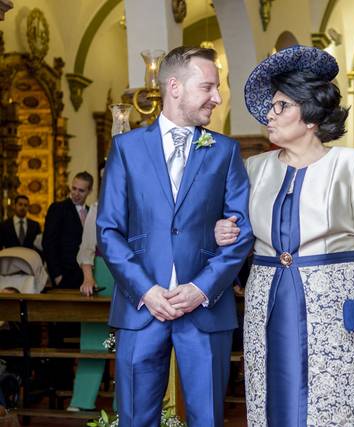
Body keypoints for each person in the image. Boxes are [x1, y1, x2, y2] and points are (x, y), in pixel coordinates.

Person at [215, 45, 354, 426]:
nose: (270, 113)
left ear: (311, 114)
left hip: (333, 300)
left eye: (281, 105)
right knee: (270, 398)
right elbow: (236, 231)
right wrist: (223, 231)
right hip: (266, 296)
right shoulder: (254, 168)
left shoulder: (351, 164)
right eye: (272, 105)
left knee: (333, 402)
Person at [97, 46, 254, 427]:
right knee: (135, 418)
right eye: (208, 87)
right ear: (175, 87)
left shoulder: (225, 151)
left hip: (204, 308)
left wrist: (202, 288)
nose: (217, 97)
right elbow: (108, 230)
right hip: (142, 307)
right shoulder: (126, 149)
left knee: (208, 418)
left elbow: (242, 230)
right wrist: (146, 291)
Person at [67, 196, 115, 412]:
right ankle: (82, 400)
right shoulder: (98, 206)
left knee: (134, 344)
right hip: (103, 270)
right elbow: (87, 245)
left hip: (138, 272)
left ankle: (126, 405)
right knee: (95, 341)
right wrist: (88, 277)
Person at [42, 172, 93, 289]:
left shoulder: (91, 212)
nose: (75, 193)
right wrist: (56, 275)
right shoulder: (58, 208)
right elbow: (48, 243)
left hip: (87, 276)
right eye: (74, 188)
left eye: (81, 190)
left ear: (89, 191)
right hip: (64, 275)